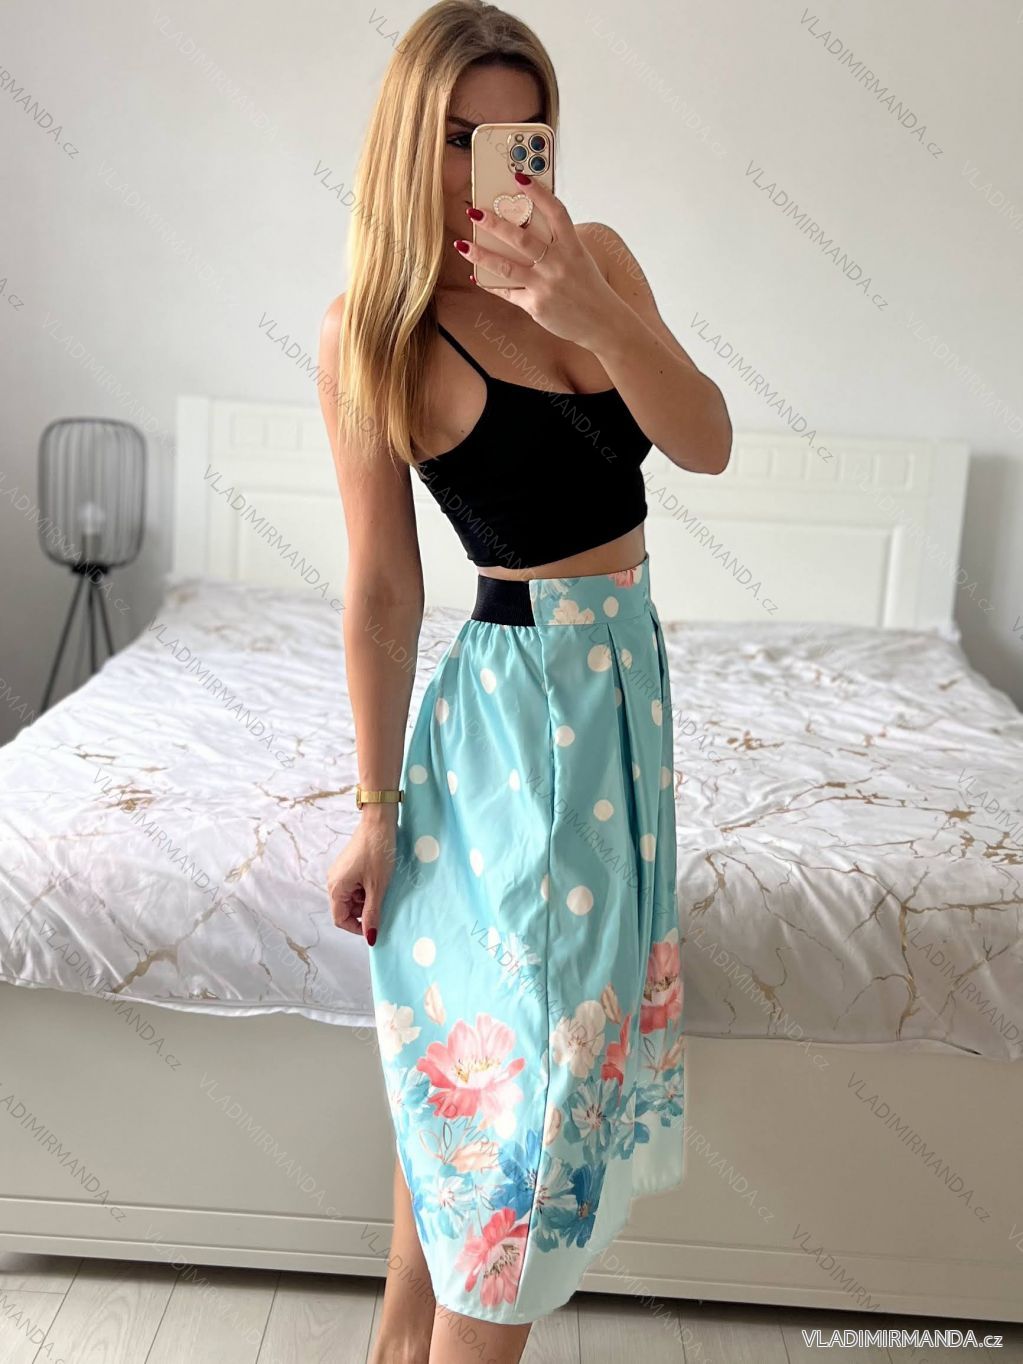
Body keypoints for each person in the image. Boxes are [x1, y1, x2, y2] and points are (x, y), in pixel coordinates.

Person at [317, 3, 731, 1359]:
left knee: (507, 1053)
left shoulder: (596, 261)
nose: (486, 167)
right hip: (511, 716)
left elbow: (706, 440)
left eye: (517, 137)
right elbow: (384, 591)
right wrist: (374, 807)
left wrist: (588, 310)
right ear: (406, 140)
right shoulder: (379, 331)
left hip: (624, 703)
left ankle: (398, 1341)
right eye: (456, 137)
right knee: (522, 1089)